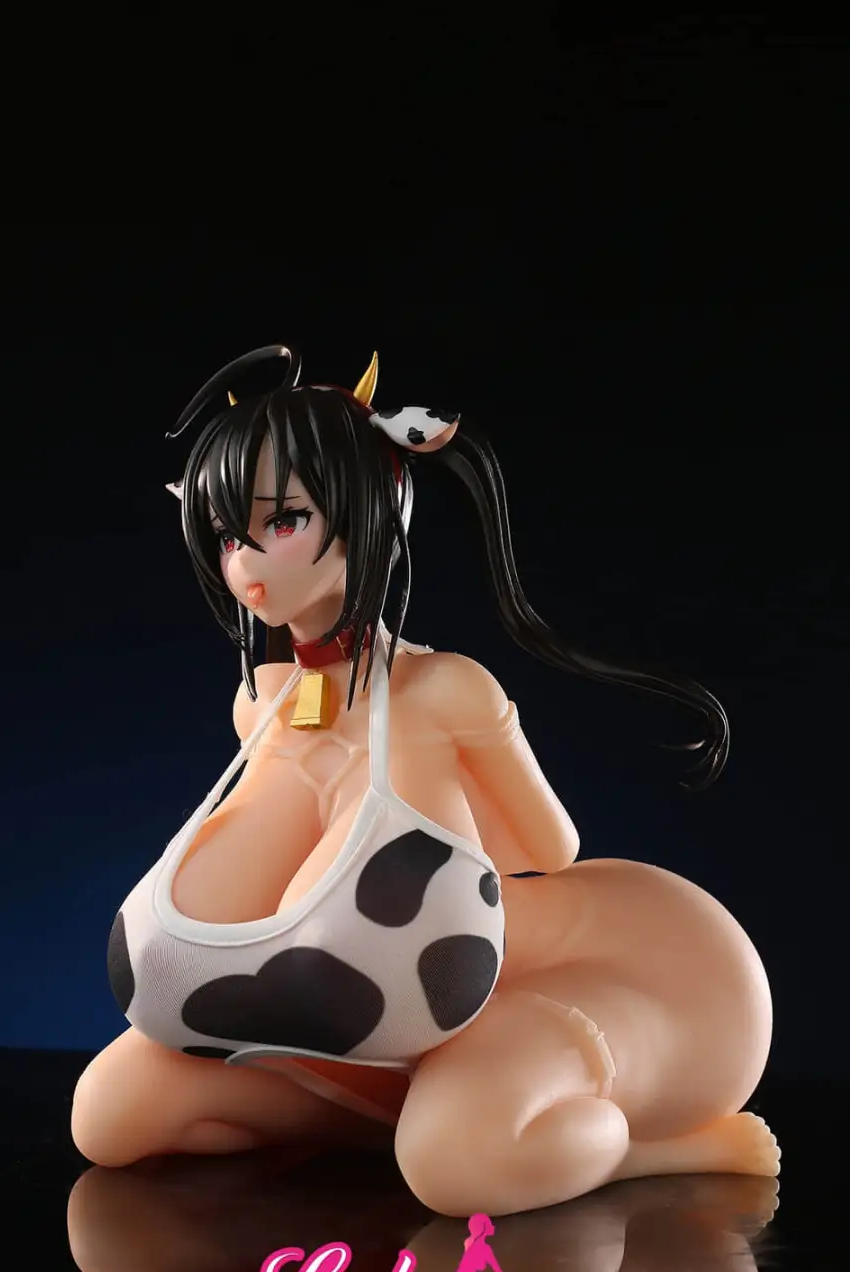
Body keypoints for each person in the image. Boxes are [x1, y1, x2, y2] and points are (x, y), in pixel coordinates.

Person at [71, 345, 779, 1218]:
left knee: (458, 1165)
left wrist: (430, 815)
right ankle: (404, 1116)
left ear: (371, 513)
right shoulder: (264, 702)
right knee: (111, 1114)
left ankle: (659, 1148)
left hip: (585, 982)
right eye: (227, 535)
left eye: (284, 521)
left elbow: (548, 848)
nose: (247, 564)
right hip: (369, 1039)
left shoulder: (445, 693)